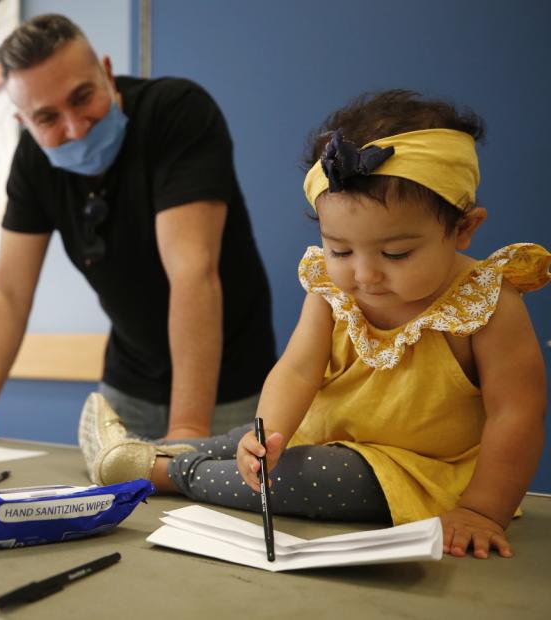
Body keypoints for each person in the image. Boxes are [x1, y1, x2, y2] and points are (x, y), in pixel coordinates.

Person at [81, 90, 549, 559]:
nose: (364, 275)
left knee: (307, 480)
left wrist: (483, 511)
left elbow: (517, 412)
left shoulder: (486, 301)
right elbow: (297, 370)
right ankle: (137, 450)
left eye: (396, 254)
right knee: (242, 444)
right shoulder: (331, 289)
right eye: (340, 250)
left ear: (464, 229)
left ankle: (159, 472)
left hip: (414, 471)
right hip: (319, 436)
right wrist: (265, 438)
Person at [0, 14, 276, 446]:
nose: (76, 127)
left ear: (108, 74)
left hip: (228, 385)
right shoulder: (33, 162)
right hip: (127, 386)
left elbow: (193, 271)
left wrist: (186, 433)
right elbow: (8, 291)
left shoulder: (176, 112)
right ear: (24, 124)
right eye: (48, 118)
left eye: (83, 98)